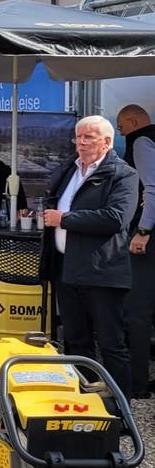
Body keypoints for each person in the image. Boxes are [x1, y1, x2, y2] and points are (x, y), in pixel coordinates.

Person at [43, 115, 138, 398]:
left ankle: (120, 413)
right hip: (66, 268)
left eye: (89, 137)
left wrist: (65, 218)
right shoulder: (68, 169)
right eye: (78, 137)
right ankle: (80, 405)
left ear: (107, 142)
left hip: (101, 271)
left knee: (111, 344)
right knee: (75, 341)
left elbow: (115, 218)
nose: (81, 143)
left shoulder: (123, 174)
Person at [116, 103, 155, 398]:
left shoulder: (142, 140)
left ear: (133, 121)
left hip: (149, 237)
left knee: (137, 310)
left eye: (120, 127)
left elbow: (151, 188)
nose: (120, 133)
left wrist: (143, 230)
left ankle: (137, 383)